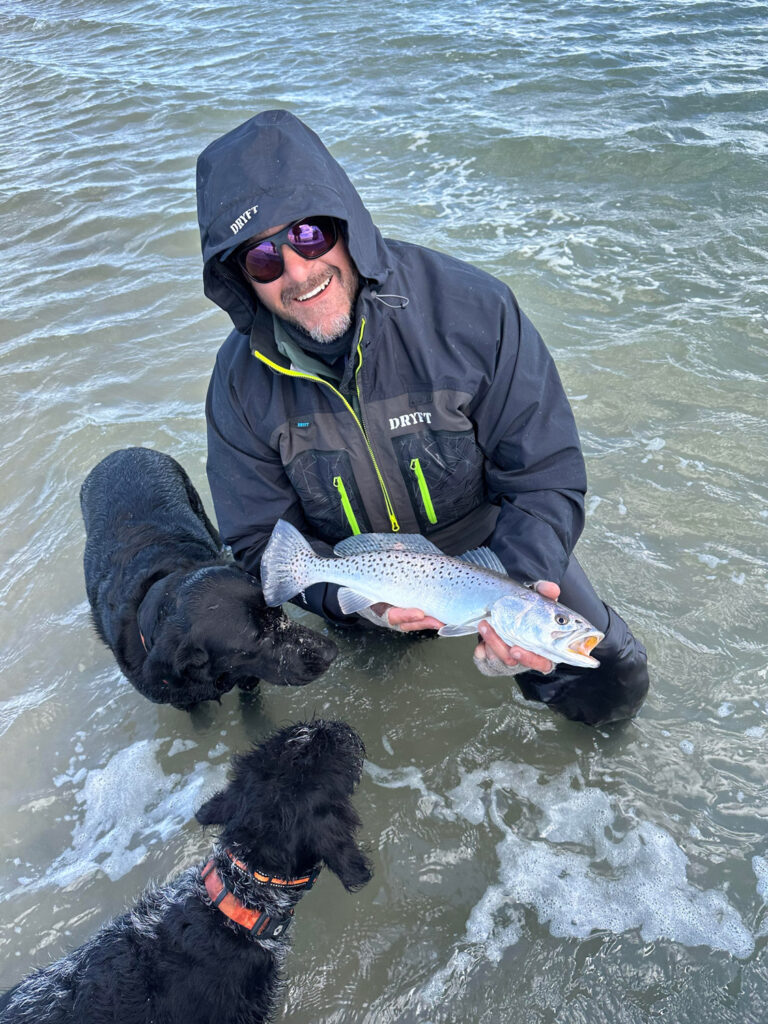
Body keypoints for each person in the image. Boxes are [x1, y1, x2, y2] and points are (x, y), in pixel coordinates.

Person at [197, 110, 649, 727]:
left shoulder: (475, 310)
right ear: (240, 278)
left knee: (612, 677)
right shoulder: (237, 384)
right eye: (263, 260)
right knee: (384, 718)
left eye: (308, 236)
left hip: (498, 554)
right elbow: (258, 540)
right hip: (365, 579)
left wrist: (523, 580)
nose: (299, 272)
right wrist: (352, 605)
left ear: (344, 225)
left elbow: (545, 477)